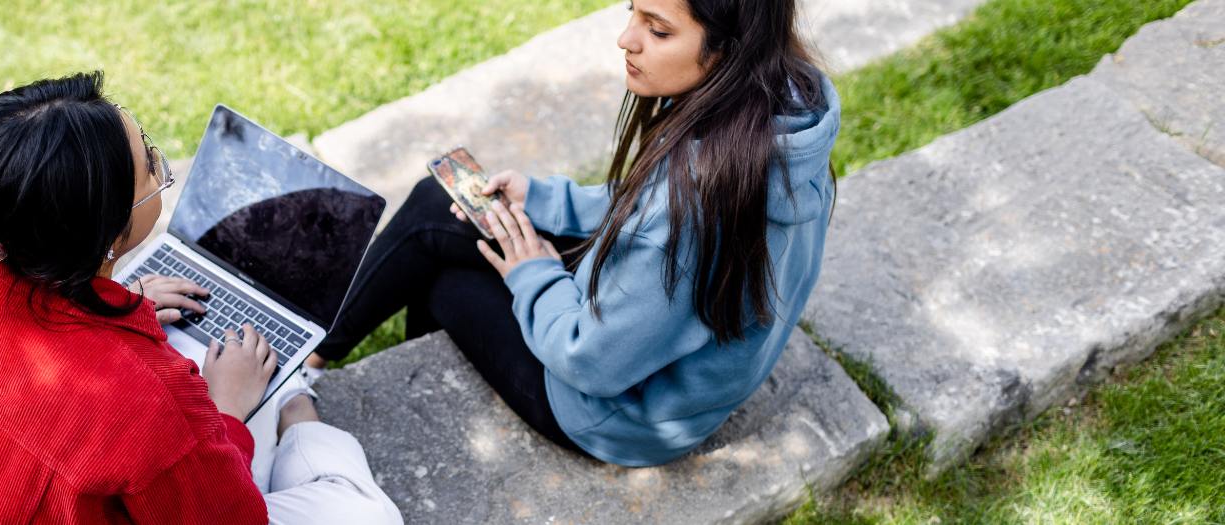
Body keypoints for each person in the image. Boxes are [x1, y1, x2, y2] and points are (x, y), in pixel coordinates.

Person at [306, 0, 842, 467]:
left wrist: (532, 274)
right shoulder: (781, 115)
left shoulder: (690, 212)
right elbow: (644, 206)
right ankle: (313, 353)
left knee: (442, 278)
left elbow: (594, 361)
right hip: (660, 358)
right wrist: (543, 201)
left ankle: (315, 364)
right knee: (442, 204)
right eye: (632, 11)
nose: (626, 39)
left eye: (658, 30)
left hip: (616, 415)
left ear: (728, 49)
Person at [0, 72, 402, 524]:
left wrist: (114, 301)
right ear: (108, 234)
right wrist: (226, 410)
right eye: (153, 168)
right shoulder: (141, 404)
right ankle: (298, 406)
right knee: (362, 512)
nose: (161, 169)